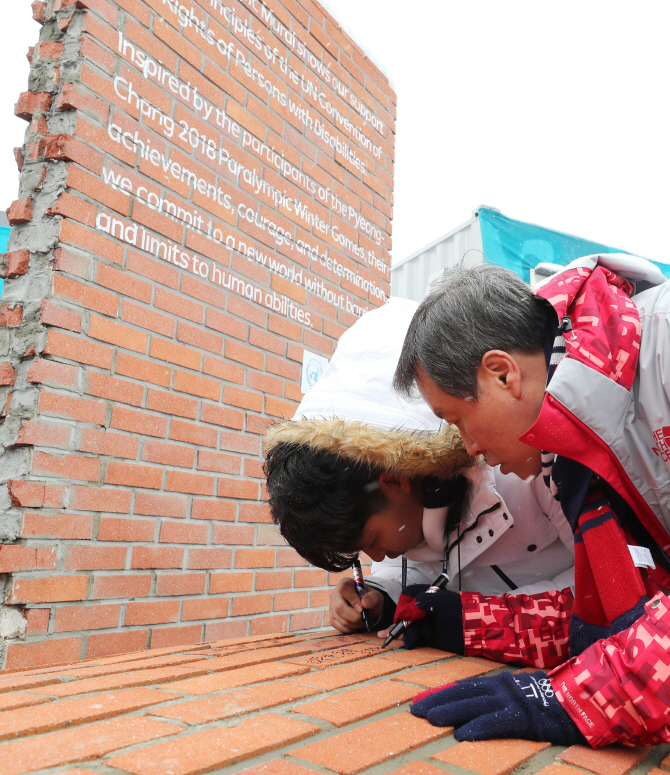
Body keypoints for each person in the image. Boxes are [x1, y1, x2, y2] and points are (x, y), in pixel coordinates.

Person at [394, 254, 670, 749]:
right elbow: (622, 617)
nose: (469, 447)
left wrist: (577, 698)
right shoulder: (579, 466)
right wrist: (463, 623)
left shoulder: (665, 345)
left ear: (502, 374)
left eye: (455, 418)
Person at [265, 297, 575, 668]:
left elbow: (607, 590)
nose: (377, 557)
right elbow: (434, 558)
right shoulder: (410, 508)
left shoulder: (524, 463)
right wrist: (383, 596)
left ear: (395, 477)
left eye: (373, 543)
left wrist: (476, 618)